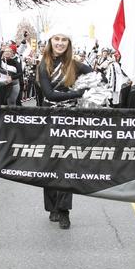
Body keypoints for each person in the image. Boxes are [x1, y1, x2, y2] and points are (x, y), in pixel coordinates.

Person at [36, 27, 92, 229]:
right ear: (51, 41)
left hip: (70, 120)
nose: (60, 43)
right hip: (50, 119)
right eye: (56, 39)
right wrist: (78, 94)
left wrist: (91, 94)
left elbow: (96, 79)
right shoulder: (44, 65)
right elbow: (49, 95)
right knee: (51, 163)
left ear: (69, 44)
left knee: (67, 164)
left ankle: (64, 210)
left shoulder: (75, 65)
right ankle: (52, 207)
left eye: (64, 40)